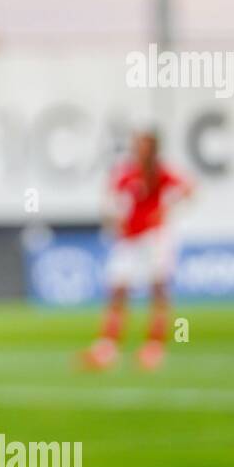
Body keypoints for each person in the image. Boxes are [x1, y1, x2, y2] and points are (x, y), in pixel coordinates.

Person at [81, 128, 193, 371]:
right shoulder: (128, 174)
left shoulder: (161, 173)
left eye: (142, 144)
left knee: (158, 289)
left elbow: (189, 189)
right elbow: (111, 199)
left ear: (152, 148)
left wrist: (166, 209)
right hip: (129, 239)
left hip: (154, 238)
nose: (137, 148)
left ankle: (154, 347)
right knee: (118, 290)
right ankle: (107, 347)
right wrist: (114, 218)